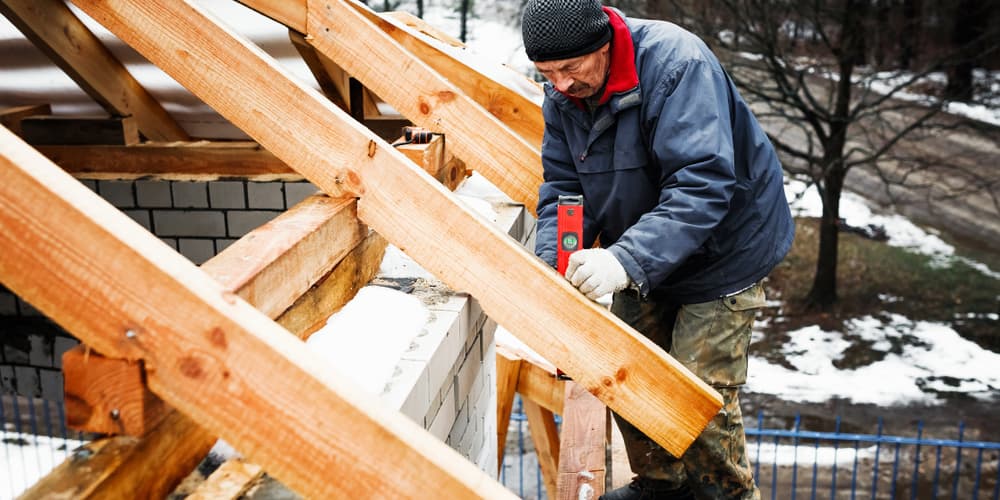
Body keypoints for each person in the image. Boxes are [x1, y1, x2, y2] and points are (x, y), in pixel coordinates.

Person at [521, 1, 795, 499]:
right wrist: (554, 268)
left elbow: (703, 183)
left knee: (696, 397)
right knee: (628, 370)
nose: (560, 85)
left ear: (602, 45)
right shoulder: (562, 96)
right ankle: (660, 487)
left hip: (724, 249)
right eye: (547, 73)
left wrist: (624, 261)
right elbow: (564, 190)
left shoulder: (676, 66)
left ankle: (726, 496)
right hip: (647, 241)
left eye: (569, 69)